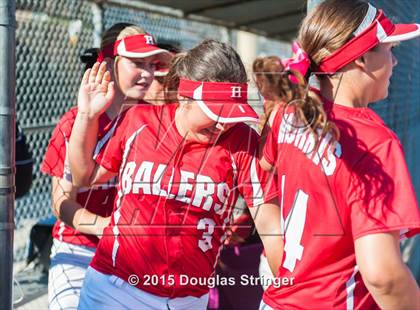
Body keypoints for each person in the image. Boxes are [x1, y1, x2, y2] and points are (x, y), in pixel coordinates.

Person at [68, 39, 281, 309]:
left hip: (189, 299)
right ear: (184, 96)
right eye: (214, 113)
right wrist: (86, 115)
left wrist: (288, 292)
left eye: (229, 115)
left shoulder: (242, 140)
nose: (221, 124)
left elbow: (271, 228)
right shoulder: (139, 121)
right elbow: (83, 176)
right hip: (114, 288)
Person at [259, 1, 420, 309]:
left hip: (276, 301)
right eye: (390, 50)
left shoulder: (290, 114)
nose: (395, 62)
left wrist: (275, 249)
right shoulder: (374, 141)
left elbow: (261, 173)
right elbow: (382, 275)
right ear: (361, 58)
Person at [41, 23, 170, 309]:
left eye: (152, 64)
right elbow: (61, 202)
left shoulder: (154, 121)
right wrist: (104, 226)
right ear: (109, 64)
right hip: (79, 249)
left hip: (132, 252)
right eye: (137, 63)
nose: (148, 73)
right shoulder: (75, 122)